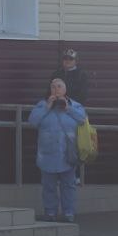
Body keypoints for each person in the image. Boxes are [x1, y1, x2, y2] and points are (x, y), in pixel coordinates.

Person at [29, 78, 87, 222]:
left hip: (68, 154)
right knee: (48, 186)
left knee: (69, 186)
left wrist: (68, 109)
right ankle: (50, 213)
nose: (56, 89)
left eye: (59, 86)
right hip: (47, 155)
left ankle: (68, 213)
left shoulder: (74, 105)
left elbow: (83, 119)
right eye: (53, 87)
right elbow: (32, 121)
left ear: (65, 89)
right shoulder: (42, 105)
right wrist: (47, 107)